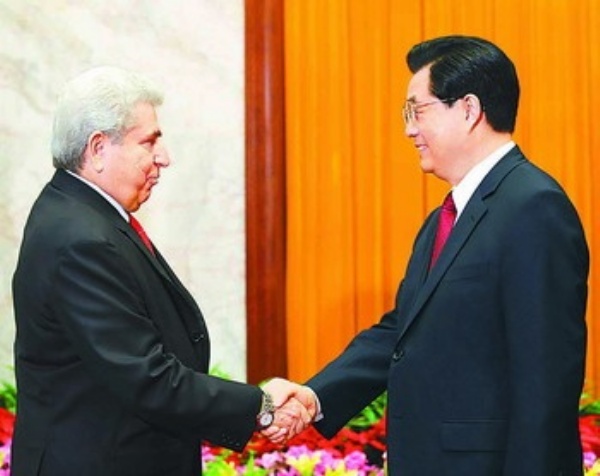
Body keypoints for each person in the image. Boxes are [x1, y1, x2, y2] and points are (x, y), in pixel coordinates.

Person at [268, 35, 590, 475]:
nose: (409, 130)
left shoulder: (533, 206)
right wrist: (315, 396)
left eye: (417, 111)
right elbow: (403, 331)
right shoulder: (446, 217)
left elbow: (545, 379)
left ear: (469, 109)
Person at [10, 66, 313, 476]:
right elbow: (146, 377)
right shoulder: (81, 237)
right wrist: (261, 407)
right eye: (149, 141)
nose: (163, 158)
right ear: (98, 148)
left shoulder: (81, 214)